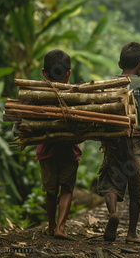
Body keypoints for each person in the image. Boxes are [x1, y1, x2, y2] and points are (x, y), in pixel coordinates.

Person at [97, 41, 140, 243]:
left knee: (110, 179)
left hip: (113, 141)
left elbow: (100, 116)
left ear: (119, 63)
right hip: (135, 142)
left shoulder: (109, 84)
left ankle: (112, 214)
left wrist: (104, 139)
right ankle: (131, 233)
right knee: (137, 185)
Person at [35, 49, 82, 239]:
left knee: (50, 191)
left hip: (46, 150)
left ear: (44, 73)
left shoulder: (36, 95)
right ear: (68, 73)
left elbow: (20, 126)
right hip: (69, 150)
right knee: (67, 188)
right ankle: (60, 228)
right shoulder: (77, 95)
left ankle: (51, 225)